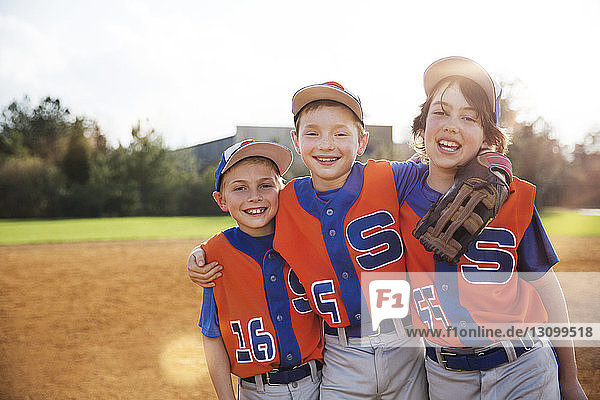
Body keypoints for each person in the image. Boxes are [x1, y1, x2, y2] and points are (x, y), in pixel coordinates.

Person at [400, 56, 587, 400]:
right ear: (422, 125)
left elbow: (545, 285)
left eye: (468, 117)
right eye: (439, 112)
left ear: (488, 137)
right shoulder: (398, 192)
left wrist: (570, 378)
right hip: (445, 376)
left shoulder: (512, 196)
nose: (451, 125)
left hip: (524, 368)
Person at [196, 139, 324, 400]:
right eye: (240, 188)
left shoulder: (306, 236)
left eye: (265, 185)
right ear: (221, 200)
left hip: (319, 383)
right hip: (257, 391)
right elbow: (212, 336)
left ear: (283, 189)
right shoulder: (215, 256)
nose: (254, 196)